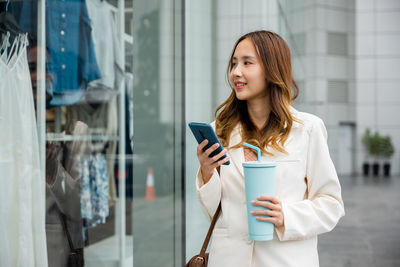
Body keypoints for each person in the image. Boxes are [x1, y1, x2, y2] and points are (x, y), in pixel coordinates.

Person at [195, 30, 345, 267]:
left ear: (272, 69)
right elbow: (215, 213)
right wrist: (206, 172)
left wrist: (286, 215)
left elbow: (331, 205)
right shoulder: (220, 130)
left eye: (247, 63)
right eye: (234, 63)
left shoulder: (307, 129)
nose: (236, 72)